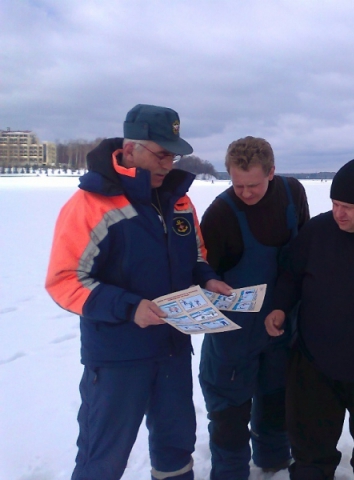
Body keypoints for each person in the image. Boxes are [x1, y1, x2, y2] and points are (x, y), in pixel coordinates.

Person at [45, 104, 232, 480]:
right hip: (117, 359)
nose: (168, 164)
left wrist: (208, 278)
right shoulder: (90, 204)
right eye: (160, 153)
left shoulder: (179, 201)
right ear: (130, 149)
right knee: (103, 456)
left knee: (176, 448)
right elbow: (64, 280)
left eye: (173, 154)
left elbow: (195, 254)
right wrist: (131, 308)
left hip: (173, 351)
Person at [265, 158, 354, 480]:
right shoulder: (317, 231)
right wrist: (279, 308)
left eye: (348, 207)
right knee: (311, 461)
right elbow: (290, 276)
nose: (338, 213)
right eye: (335, 203)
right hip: (316, 367)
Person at [198, 136, 310, 479]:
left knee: (276, 398)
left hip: (281, 325)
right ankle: (230, 471)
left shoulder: (293, 194)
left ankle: (273, 460)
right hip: (234, 335)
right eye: (238, 184)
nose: (245, 193)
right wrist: (208, 283)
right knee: (230, 410)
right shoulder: (220, 213)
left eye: (254, 185)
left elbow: (304, 251)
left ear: (272, 172)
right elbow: (200, 267)